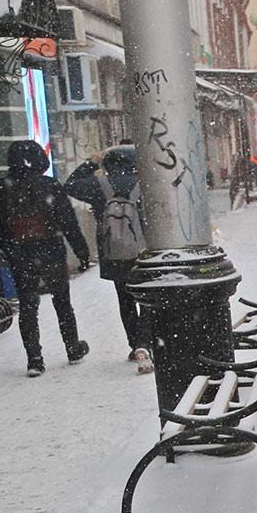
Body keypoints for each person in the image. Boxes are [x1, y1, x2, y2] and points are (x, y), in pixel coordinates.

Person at [0, 141, 91, 375]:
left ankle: (34, 359)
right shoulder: (50, 185)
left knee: (28, 306)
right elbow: (68, 223)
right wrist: (82, 253)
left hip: (21, 256)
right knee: (62, 302)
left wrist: (11, 247)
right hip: (51, 252)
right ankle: (72, 348)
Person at [63, 144, 152, 371]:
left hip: (114, 252)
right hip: (144, 251)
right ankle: (145, 343)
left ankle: (135, 344)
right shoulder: (147, 182)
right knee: (149, 299)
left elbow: (70, 185)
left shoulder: (99, 185)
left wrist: (92, 162)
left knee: (125, 299)